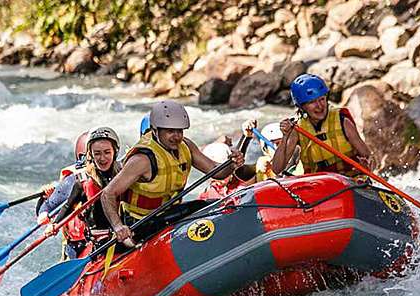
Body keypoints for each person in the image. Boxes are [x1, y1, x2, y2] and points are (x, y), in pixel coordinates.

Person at [101, 100, 244, 247]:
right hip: (141, 222)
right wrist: (118, 226)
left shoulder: (186, 146)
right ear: (156, 131)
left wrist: (231, 164)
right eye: (170, 131)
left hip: (170, 212)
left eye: (179, 131)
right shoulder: (142, 160)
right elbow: (107, 194)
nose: (176, 136)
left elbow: (216, 171)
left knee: (220, 207)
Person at [38, 127, 122, 259]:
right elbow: (52, 206)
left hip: (117, 236)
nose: (102, 158)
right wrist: (49, 220)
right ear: (90, 154)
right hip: (82, 245)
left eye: (107, 152)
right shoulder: (76, 180)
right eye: (97, 153)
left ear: (114, 152)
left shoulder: (124, 173)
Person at [272, 73, 374, 178]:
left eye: (322, 99)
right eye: (312, 102)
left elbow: (370, 158)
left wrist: (368, 165)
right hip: (320, 184)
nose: (320, 106)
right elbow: (277, 169)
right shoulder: (298, 130)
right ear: (301, 106)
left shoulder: (343, 122)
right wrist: (285, 137)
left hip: (351, 180)